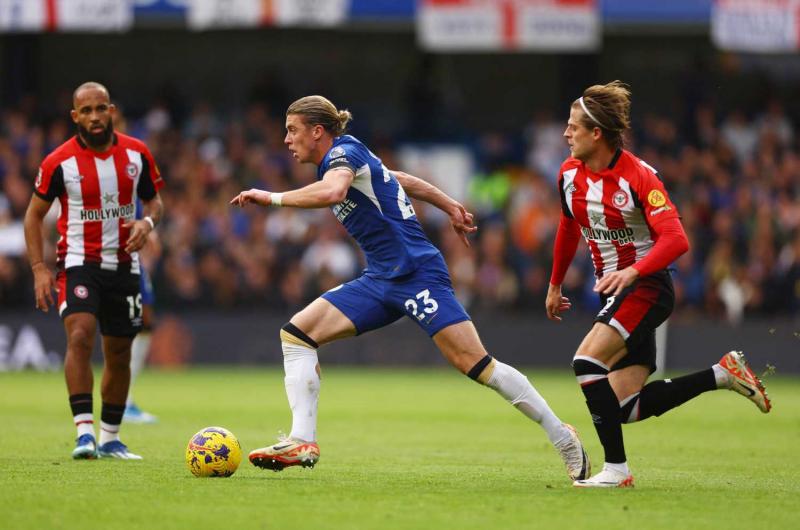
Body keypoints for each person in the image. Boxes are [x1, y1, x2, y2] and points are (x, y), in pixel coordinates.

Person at [231, 95, 590, 481]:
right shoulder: (349, 159)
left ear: (317, 131)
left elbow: (333, 193)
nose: (286, 140)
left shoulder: (341, 158)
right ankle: (303, 440)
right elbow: (397, 179)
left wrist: (270, 197)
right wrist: (449, 203)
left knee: (478, 365)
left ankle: (562, 436)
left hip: (417, 274)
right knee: (297, 334)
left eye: (292, 130)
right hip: (381, 278)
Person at [546, 81, 771, 488]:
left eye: (573, 127)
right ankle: (721, 374)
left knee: (585, 363)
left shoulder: (638, 176)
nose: (566, 134)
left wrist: (632, 272)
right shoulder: (568, 175)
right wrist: (554, 283)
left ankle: (616, 471)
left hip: (647, 287)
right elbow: (567, 226)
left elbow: (677, 239)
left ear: (596, 133)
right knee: (623, 408)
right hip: (620, 292)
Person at [24, 81, 165, 459]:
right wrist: (39, 268)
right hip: (78, 263)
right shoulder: (58, 162)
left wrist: (147, 225)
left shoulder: (137, 154)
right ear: (75, 116)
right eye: (85, 111)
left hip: (124, 265)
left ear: (111, 110)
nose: (94, 116)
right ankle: (83, 433)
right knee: (81, 336)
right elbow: (33, 216)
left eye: (100, 108)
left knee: (119, 352)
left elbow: (155, 203)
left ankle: (110, 437)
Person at [124, 199, 160, 424]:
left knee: (145, 322)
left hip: (134, 258)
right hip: (118, 255)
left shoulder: (135, 171)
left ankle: (124, 398)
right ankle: (121, 401)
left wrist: (148, 229)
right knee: (129, 323)